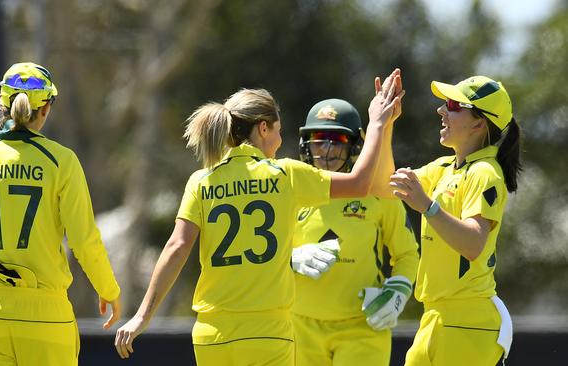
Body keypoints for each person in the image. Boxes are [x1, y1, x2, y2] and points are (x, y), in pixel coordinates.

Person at [114, 69, 405, 365]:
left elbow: (176, 248)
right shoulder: (286, 174)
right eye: (278, 130)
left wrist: (141, 316)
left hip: (211, 335)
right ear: (263, 128)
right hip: (267, 333)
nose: (280, 139)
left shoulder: (201, 181)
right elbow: (361, 183)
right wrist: (378, 124)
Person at [0, 62, 121, 366]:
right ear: (45, 108)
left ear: (1, 102)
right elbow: (84, 240)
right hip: (46, 317)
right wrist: (108, 288)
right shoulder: (62, 161)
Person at [383, 76, 519, 365]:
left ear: (479, 123)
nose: (441, 111)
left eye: (454, 105)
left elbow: (473, 243)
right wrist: (383, 124)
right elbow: (380, 185)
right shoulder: (445, 168)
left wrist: (427, 206)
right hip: (435, 319)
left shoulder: (484, 172)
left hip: (468, 324)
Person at [289, 98, 419, 366]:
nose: (325, 150)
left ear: (355, 145)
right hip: (298, 327)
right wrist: (289, 258)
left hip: (362, 328)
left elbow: (407, 254)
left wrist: (399, 290)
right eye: (318, 139)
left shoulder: (378, 191)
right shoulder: (291, 186)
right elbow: (264, 254)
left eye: (336, 140)